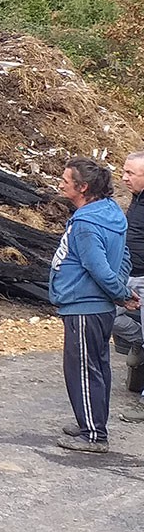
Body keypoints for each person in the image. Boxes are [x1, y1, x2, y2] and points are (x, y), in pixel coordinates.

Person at [50, 157, 136, 453]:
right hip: (96, 307)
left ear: (82, 187)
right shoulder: (111, 213)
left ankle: (94, 435)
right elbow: (123, 257)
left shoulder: (86, 223)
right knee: (97, 366)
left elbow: (97, 267)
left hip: (85, 306)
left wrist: (120, 294)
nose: (60, 183)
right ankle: (90, 421)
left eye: (66, 179)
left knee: (83, 370)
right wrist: (120, 288)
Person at [117, 151, 144, 422]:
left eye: (130, 173)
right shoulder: (136, 199)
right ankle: (140, 341)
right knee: (108, 314)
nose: (123, 178)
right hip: (127, 275)